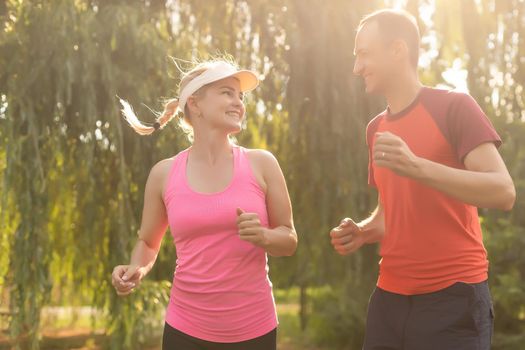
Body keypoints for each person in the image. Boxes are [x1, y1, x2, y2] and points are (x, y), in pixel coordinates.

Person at [329, 9, 516, 350]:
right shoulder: (375, 129)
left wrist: (417, 166)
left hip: (454, 298)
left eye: (364, 54)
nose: (357, 67)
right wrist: (364, 230)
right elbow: (390, 211)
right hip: (389, 299)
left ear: (397, 49)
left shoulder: (454, 107)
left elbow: (503, 191)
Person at [111, 58, 298, 350]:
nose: (238, 102)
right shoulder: (163, 174)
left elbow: (289, 239)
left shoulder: (262, 164)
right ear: (195, 104)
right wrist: (136, 268)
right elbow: (148, 243)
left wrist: (264, 236)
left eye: (241, 96)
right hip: (185, 331)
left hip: (254, 330)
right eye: (227, 92)